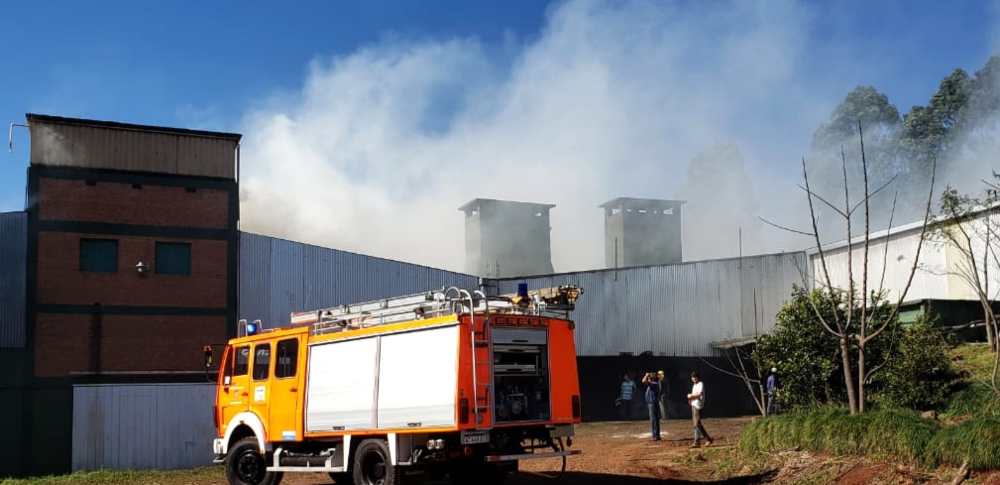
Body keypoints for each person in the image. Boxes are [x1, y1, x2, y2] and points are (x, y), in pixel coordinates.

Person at [686, 371, 713, 448]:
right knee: (695, 425)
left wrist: (690, 396)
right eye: (693, 377)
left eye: (695, 377)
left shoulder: (700, 384)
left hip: (698, 406)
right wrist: (691, 399)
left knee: (697, 424)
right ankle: (697, 442)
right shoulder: (694, 385)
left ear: (698, 377)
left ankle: (708, 439)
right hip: (694, 405)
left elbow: (699, 394)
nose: (694, 378)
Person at [641, 372, 662, 441]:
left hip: (652, 403)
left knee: (654, 419)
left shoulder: (654, 384)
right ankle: (656, 435)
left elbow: (643, 381)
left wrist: (646, 375)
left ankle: (655, 435)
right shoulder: (654, 384)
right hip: (652, 403)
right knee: (654, 419)